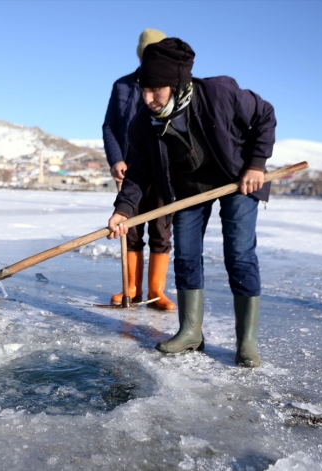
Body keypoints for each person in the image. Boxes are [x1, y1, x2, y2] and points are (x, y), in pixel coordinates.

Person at [107, 38, 275, 367]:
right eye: (144, 89)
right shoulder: (143, 121)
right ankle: (190, 332)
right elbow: (138, 172)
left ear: (178, 83)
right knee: (185, 255)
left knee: (239, 255)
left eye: (157, 90)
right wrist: (123, 210)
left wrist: (256, 164)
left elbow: (264, 116)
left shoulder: (219, 94)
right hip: (187, 189)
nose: (149, 98)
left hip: (237, 180)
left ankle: (247, 342)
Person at [102, 28, 176, 311]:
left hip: (160, 167)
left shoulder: (171, 85)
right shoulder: (122, 85)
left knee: (161, 229)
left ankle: (156, 292)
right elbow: (109, 125)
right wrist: (116, 159)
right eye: (147, 53)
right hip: (129, 169)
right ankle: (131, 288)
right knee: (128, 227)